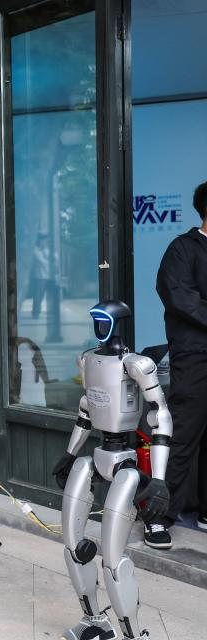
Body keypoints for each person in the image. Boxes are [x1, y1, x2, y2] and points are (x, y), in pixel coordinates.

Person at [51, 301, 170, 640]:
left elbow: (160, 415)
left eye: (103, 320)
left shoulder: (136, 364)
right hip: (95, 455)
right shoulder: (88, 359)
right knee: (73, 543)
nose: (98, 325)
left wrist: (159, 480)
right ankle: (94, 622)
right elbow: (86, 409)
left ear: (118, 322)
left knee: (113, 558)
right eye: (95, 319)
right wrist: (70, 454)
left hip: (126, 464)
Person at [154, 180, 207, 549]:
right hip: (195, 356)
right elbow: (181, 299)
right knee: (182, 437)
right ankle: (157, 516)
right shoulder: (182, 249)